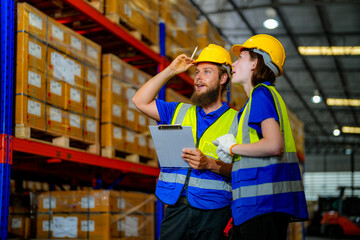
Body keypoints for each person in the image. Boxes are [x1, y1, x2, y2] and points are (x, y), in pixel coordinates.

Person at [132, 44, 238, 240]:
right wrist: (171, 70)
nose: (198, 77)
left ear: (223, 78)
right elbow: (140, 101)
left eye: (207, 72)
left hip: (214, 211)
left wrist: (209, 164)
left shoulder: (238, 121)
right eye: (197, 72)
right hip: (175, 208)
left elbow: (244, 169)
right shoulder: (177, 111)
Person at [213, 34, 309, 239]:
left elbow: (274, 145)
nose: (233, 63)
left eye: (240, 58)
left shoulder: (260, 94)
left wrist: (233, 148)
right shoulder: (260, 98)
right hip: (259, 206)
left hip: (262, 205)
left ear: (255, 63)